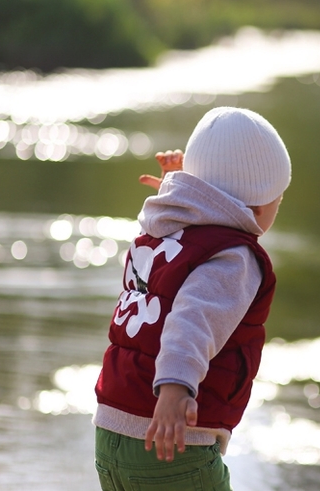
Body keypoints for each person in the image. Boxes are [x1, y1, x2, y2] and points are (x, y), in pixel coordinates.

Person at [93, 106, 291, 491]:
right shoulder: (233, 258)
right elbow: (191, 318)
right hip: (171, 440)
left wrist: (176, 184)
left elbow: (172, 275)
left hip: (110, 433)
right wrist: (174, 388)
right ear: (260, 205)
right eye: (278, 201)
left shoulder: (163, 230)